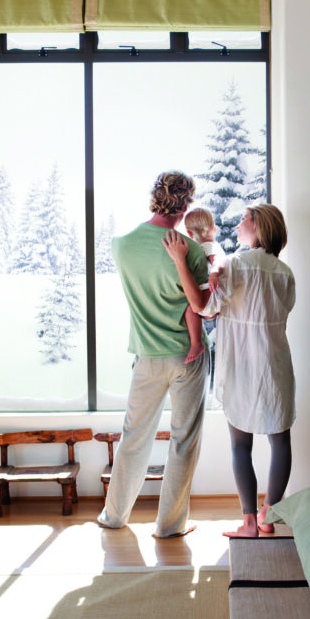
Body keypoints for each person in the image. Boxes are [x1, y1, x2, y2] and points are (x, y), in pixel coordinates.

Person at [162, 204, 295, 537]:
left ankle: (249, 522)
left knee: (241, 446)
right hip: (276, 366)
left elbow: (204, 307)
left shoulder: (236, 265)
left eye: (244, 219)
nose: (238, 224)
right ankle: (268, 516)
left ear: (260, 226)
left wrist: (181, 262)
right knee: (281, 443)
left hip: (241, 367)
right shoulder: (284, 273)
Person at [96, 170, 211, 539]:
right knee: (184, 439)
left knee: (134, 436)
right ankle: (170, 525)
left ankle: (114, 516)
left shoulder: (121, 245)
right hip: (186, 357)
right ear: (186, 204)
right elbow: (196, 306)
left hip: (146, 356)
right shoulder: (188, 250)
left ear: (154, 197)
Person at [178, 208, 227, 364]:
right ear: (214, 229)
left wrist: (214, 274)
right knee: (191, 307)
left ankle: (196, 343)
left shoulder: (208, 246)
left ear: (190, 234)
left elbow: (218, 261)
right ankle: (197, 343)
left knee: (188, 306)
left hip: (209, 293)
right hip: (212, 296)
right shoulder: (210, 245)